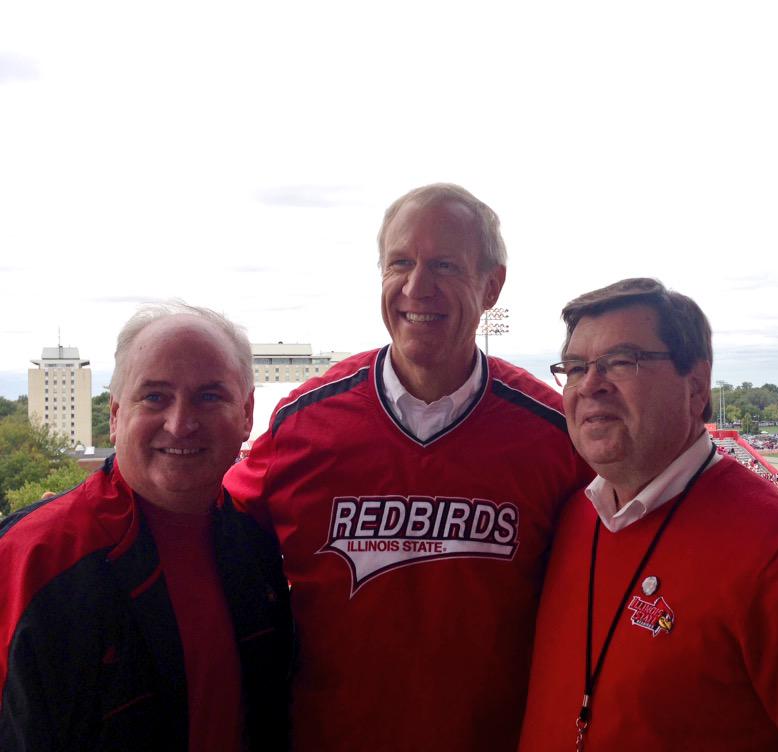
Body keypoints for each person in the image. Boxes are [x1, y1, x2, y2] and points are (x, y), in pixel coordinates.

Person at [225, 184, 590, 751]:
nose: (418, 287)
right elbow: (205, 529)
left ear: (491, 286)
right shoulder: (303, 423)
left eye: (445, 265)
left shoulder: (555, 433)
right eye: (400, 263)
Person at [516, 278, 778, 750]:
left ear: (696, 385)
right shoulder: (571, 520)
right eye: (575, 367)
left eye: (621, 362)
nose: (590, 385)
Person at [0, 303, 292, 751]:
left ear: (247, 414)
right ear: (115, 416)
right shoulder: (31, 559)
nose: (181, 424)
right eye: (155, 397)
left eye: (209, 396)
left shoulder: (255, 547)